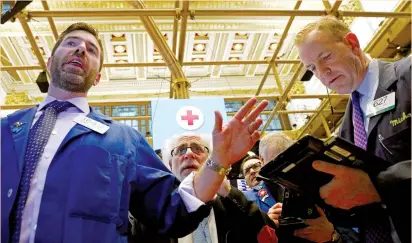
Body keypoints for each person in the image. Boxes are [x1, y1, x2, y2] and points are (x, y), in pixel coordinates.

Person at [1, 23, 269, 243]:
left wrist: (218, 163)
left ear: (97, 77)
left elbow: (171, 209)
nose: (81, 49)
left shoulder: (123, 140)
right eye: (71, 43)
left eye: (91, 50)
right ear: (49, 62)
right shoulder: (6, 128)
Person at [295, 15, 411, 243]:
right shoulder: (347, 129)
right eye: (312, 68)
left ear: (352, 43)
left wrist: (379, 186)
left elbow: (375, 185)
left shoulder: (408, 75)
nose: (322, 73)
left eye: (325, 57)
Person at [129, 133, 278, 243]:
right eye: (180, 150)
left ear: (210, 160)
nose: (188, 154)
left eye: (197, 149)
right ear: (169, 166)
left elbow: (268, 235)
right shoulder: (152, 212)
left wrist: (228, 192)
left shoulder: (231, 202)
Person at [256, 133, 360, 243]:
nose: (283, 170)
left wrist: (333, 235)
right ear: (261, 160)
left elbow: (356, 235)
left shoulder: (323, 189)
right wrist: (265, 228)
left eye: (287, 162)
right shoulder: (248, 200)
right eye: (275, 162)